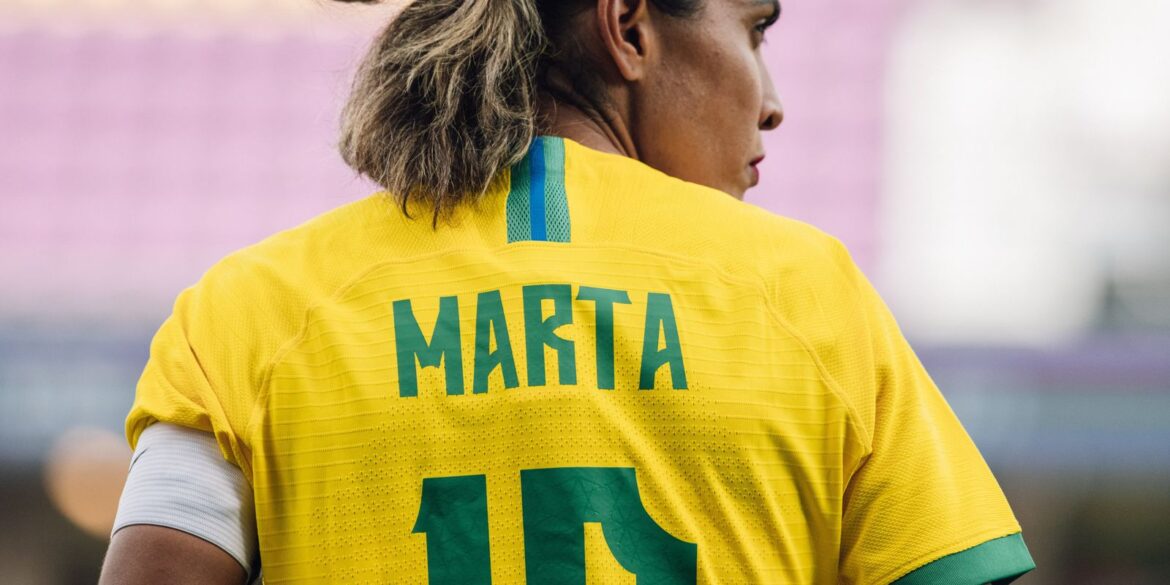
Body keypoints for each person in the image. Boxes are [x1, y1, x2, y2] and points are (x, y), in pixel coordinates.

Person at [100, 0, 1036, 583]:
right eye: (755, 29)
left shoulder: (249, 311)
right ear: (628, 28)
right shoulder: (804, 295)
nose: (772, 100)